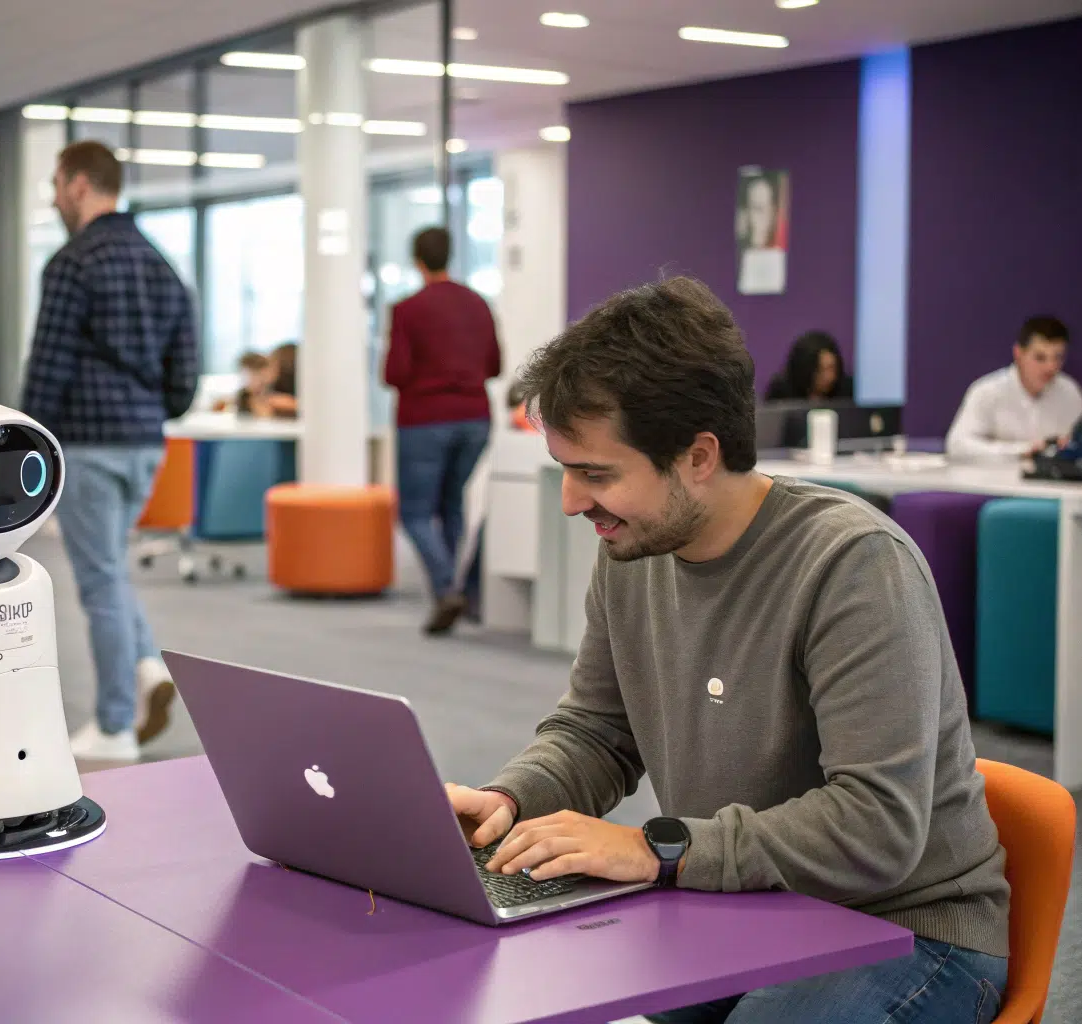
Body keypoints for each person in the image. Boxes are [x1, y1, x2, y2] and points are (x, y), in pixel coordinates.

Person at [445, 276, 1009, 1023]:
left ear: (698, 456)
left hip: (906, 926)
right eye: (565, 472)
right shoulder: (631, 552)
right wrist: (508, 800)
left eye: (596, 474)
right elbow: (595, 733)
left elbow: (876, 827)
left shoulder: (852, 564)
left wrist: (659, 850)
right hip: (738, 903)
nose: (571, 503)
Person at [21, 139, 198, 762]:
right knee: (112, 571)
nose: (53, 196)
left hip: (88, 446)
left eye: (55, 184)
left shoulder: (73, 262)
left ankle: (116, 724)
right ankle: (148, 667)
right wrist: (154, 408)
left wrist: (26, 453)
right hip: (145, 443)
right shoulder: (161, 264)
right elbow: (185, 371)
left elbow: (48, 366)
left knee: (98, 582)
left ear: (76, 184)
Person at [384, 226, 502, 635]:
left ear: (417, 261)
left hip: (425, 419)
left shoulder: (407, 310)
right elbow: (495, 366)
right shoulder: (478, 304)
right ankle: (451, 592)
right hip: (475, 418)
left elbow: (395, 371)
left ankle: (447, 588)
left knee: (415, 513)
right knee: (451, 505)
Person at [946, 316, 1080, 461]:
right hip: (993, 480)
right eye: (1040, 358)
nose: (1050, 367)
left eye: (1058, 357)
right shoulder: (987, 391)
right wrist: (1021, 450)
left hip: (1052, 481)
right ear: (1018, 353)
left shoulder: (1069, 392)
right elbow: (957, 446)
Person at [763, 330, 854, 402]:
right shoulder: (781, 393)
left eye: (832, 368)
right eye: (820, 371)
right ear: (804, 370)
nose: (829, 377)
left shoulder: (847, 392)